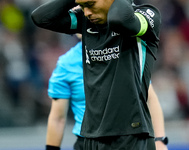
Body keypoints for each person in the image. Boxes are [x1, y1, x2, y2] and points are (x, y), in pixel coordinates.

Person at [31, 0, 163, 149]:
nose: (86, 12)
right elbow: (41, 17)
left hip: (131, 134)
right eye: (83, 6)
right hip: (90, 135)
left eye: (90, 4)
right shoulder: (87, 21)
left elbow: (119, 19)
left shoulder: (144, 15)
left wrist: (160, 139)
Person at [46, 40, 168, 150]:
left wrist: (160, 140)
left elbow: (149, 98)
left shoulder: (122, 51)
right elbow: (58, 118)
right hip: (87, 141)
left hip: (128, 138)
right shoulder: (66, 64)